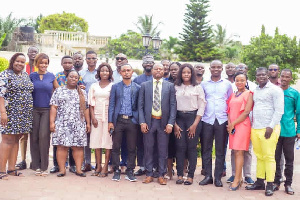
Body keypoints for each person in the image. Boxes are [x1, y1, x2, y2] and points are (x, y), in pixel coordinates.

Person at [245, 67, 284, 196]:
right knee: (259, 156)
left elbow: (279, 110)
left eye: (263, 74)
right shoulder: (255, 90)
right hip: (256, 128)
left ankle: (270, 184)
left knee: (269, 157)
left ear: (267, 75)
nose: (261, 77)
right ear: (255, 77)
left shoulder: (276, 90)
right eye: (258, 75)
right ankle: (260, 182)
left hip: (269, 128)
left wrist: (271, 126)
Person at [138, 63, 176, 185]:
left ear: (164, 71)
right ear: (152, 70)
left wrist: (170, 123)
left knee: (163, 150)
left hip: (163, 123)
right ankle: (149, 174)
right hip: (149, 122)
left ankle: (161, 174)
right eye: (156, 69)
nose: (158, 71)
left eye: (161, 69)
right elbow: (140, 106)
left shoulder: (170, 86)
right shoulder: (145, 85)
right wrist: (142, 122)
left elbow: (173, 106)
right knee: (148, 149)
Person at [49, 70, 90, 177]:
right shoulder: (59, 91)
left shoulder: (82, 92)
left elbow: (85, 109)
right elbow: (54, 106)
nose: (73, 79)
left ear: (78, 80)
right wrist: (52, 122)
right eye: (71, 77)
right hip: (62, 123)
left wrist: (88, 123)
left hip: (78, 123)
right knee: (61, 147)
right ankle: (62, 170)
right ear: (67, 78)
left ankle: (78, 170)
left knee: (78, 147)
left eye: (76, 78)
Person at [0, 53, 34, 180]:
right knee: (7, 140)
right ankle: (1, 170)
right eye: (17, 61)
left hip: (23, 114)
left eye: (22, 62)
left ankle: (12, 168)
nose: (20, 64)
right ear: (12, 61)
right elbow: (1, 95)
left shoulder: (25, 75)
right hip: (10, 113)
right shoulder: (5, 74)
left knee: (15, 140)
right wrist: (3, 113)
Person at [199, 60, 233, 187]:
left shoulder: (227, 85)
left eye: (219, 67)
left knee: (220, 150)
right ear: (210, 69)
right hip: (207, 120)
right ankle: (208, 176)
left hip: (222, 120)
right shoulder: (203, 84)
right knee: (206, 149)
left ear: (222, 69)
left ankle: (218, 177)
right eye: (213, 67)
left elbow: (229, 102)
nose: (216, 69)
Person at [174, 63, 206, 185]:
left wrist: (195, 124)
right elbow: (171, 106)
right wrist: (175, 124)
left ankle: (191, 175)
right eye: (183, 72)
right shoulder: (176, 87)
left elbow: (202, 106)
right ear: (180, 74)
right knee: (180, 147)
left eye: (188, 72)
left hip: (193, 118)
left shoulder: (197, 87)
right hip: (178, 118)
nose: (186, 74)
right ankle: (180, 174)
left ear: (192, 74)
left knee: (191, 148)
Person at [108, 64, 140, 182]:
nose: (126, 72)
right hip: (118, 120)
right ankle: (116, 170)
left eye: (128, 70)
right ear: (120, 73)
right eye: (124, 71)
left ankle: (130, 170)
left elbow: (139, 106)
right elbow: (111, 105)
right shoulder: (115, 87)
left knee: (132, 147)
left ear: (132, 72)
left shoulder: (137, 87)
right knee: (116, 146)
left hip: (132, 120)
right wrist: (110, 121)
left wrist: (138, 120)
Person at [29, 53, 58, 176]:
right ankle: (35, 165)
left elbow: (59, 91)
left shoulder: (51, 76)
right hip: (34, 110)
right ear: (36, 63)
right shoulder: (31, 76)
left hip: (47, 110)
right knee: (34, 137)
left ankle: (44, 166)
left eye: (45, 63)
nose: (43, 65)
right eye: (41, 63)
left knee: (44, 137)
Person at [227, 63, 255, 185]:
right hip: (232, 127)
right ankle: (238, 177)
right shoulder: (233, 94)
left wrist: (233, 124)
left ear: (246, 81)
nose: (239, 82)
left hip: (242, 126)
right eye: (237, 80)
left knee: (239, 152)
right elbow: (228, 110)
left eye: (242, 80)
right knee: (234, 151)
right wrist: (229, 124)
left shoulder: (249, 94)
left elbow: (246, 112)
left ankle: (237, 180)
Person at [273, 69, 300, 195]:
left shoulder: (294, 94)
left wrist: (299, 130)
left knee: (289, 160)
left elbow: (299, 113)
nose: (284, 79)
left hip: (289, 131)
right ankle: (276, 182)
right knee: (276, 158)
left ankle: (288, 184)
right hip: (275, 131)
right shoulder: (274, 91)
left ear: (290, 78)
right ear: (279, 77)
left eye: (287, 77)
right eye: (282, 76)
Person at [15, 46, 39, 171]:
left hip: (36, 105)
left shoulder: (40, 68)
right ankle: (23, 160)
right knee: (23, 135)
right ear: (28, 53)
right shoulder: (23, 68)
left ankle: (34, 160)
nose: (33, 53)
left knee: (35, 134)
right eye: (31, 52)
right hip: (23, 106)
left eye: (35, 52)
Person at [88, 63, 113, 177]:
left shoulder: (113, 86)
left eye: (106, 71)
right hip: (97, 116)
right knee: (96, 141)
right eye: (102, 70)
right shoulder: (94, 86)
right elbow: (91, 103)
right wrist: (93, 117)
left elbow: (114, 103)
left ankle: (105, 166)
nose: (104, 72)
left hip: (108, 116)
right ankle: (98, 166)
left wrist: (111, 121)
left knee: (107, 142)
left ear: (110, 73)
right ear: (98, 72)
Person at [133, 55, 155, 176]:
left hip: (156, 116)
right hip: (141, 117)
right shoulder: (137, 80)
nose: (148, 64)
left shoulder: (157, 79)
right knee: (140, 143)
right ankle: (142, 166)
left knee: (154, 143)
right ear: (142, 64)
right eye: (146, 62)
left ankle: (153, 166)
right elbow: (135, 101)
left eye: (151, 62)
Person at [80, 50, 98, 172]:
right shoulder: (81, 73)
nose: (91, 60)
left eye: (93, 58)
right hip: (84, 108)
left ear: (97, 59)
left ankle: (98, 164)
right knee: (85, 135)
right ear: (85, 60)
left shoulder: (102, 72)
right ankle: (86, 162)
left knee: (97, 135)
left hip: (99, 107)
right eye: (89, 58)